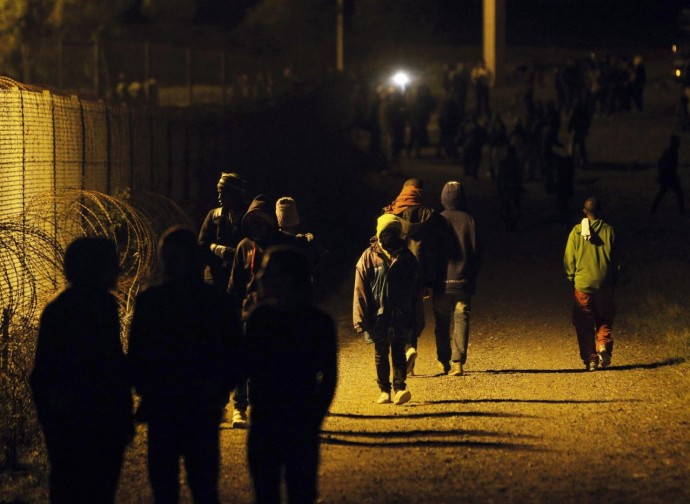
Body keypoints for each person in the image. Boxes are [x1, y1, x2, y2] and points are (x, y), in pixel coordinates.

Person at [128, 227, 243, 504]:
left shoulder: (150, 302)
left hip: (163, 404)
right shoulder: (218, 302)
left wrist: (148, 387)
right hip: (200, 403)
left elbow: (136, 357)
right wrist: (218, 387)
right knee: (203, 484)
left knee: (165, 485)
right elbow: (236, 355)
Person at [31, 237, 133, 504]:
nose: (118, 269)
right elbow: (107, 365)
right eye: (112, 263)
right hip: (87, 418)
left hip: (77, 419)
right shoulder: (91, 308)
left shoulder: (67, 307)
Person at [245, 246, 337, 504]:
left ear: (288, 277)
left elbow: (329, 376)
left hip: (294, 422)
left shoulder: (314, 323)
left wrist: (313, 417)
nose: (260, 277)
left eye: (267, 271)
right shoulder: (260, 319)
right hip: (270, 423)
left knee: (299, 492)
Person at [227, 195, 296, 428]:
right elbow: (235, 284)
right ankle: (240, 407)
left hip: (276, 314)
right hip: (248, 313)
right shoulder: (244, 247)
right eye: (253, 221)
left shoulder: (281, 246)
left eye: (262, 221)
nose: (258, 226)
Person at [353, 214, 418, 405]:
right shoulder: (369, 256)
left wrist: (415, 317)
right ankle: (384, 390)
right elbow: (360, 288)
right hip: (378, 315)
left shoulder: (407, 257)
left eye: (393, 232)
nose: (389, 236)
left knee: (398, 350)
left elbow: (415, 289)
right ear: (380, 233)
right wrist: (360, 317)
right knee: (381, 353)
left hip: (400, 314)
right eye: (386, 232)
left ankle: (400, 388)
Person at [382, 179, 436, 375]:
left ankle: (401, 356)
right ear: (420, 193)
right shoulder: (428, 216)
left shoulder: (390, 214)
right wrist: (429, 282)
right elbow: (429, 252)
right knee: (414, 314)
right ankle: (410, 353)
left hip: (394, 273)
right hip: (417, 274)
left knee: (396, 315)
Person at [428, 182, 481, 376]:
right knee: (462, 321)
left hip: (441, 283)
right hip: (463, 282)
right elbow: (477, 252)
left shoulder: (438, 220)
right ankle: (458, 362)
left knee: (441, 323)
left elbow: (431, 252)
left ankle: (443, 361)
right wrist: (472, 276)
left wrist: (429, 280)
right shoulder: (470, 220)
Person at [564, 197, 619, 371]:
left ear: (584, 211)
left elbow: (568, 260)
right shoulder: (609, 231)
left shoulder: (576, 232)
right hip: (604, 284)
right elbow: (616, 260)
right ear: (601, 210)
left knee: (584, 322)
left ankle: (591, 359)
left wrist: (572, 277)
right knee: (604, 318)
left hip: (583, 285)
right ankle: (603, 345)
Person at [198, 172, 249, 290]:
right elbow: (202, 245)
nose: (219, 197)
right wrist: (218, 251)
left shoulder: (249, 217)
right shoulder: (214, 215)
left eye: (224, 194)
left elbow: (249, 251)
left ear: (236, 195)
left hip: (240, 279)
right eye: (219, 193)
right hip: (214, 280)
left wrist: (222, 251)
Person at [651, 134, 685, 214]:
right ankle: (682, 210)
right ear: (674, 143)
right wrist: (661, 175)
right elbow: (664, 165)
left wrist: (660, 174)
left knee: (663, 193)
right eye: (678, 142)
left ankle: (653, 209)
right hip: (670, 176)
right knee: (678, 193)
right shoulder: (671, 153)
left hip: (669, 176)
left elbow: (660, 163)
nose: (679, 144)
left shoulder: (668, 152)